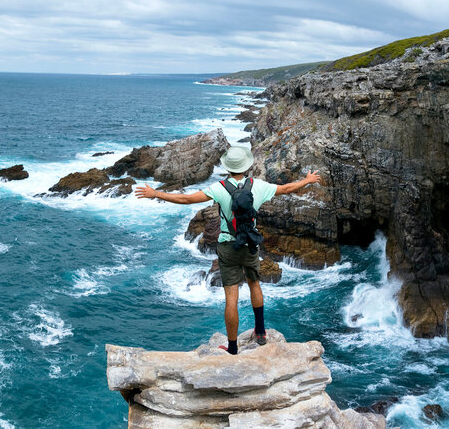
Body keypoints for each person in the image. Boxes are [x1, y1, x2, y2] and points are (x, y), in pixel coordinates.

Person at [135, 145, 321, 354]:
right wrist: (307, 180)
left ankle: (232, 347)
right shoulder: (257, 186)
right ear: (247, 166)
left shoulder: (220, 188)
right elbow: (286, 188)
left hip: (227, 245)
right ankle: (260, 332)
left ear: (227, 167)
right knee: (254, 284)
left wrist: (155, 193)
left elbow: (187, 199)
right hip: (250, 243)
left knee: (231, 297)